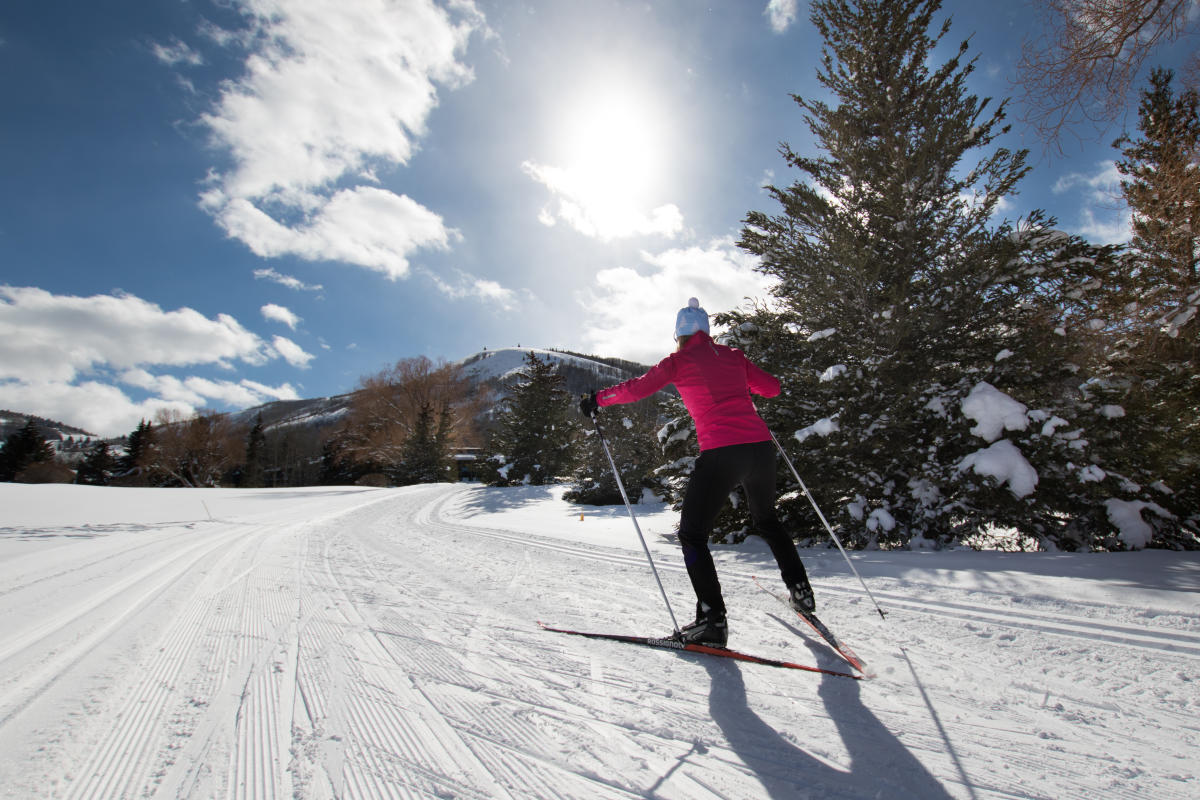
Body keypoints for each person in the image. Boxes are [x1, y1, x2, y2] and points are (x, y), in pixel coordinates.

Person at [579, 298, 815, 647]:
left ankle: (712, 621)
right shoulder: (733, 356)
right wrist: (740, 384)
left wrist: (598, 400)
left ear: (679, 335)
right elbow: (773, 388)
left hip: (722, 452)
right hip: (761, 450)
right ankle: (801, 591)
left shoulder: (678, 361)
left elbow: (637, 389)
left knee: (692, 535)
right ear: (706, 330)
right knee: (767, 520)